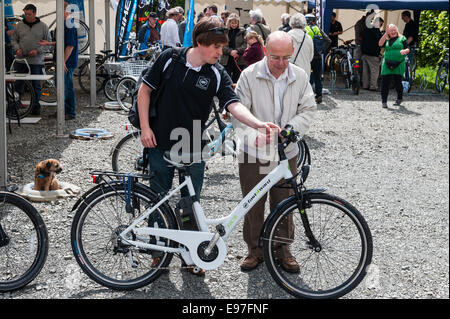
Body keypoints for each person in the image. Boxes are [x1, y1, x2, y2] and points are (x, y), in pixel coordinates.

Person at [137, 17, 279, 275]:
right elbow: (144, 90)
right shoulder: (170, 58)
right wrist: (145, 128)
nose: (220, 52)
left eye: (222, 47)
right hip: (158, 140)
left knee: (191, 203)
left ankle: (190, 256)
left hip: (192, 142)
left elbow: (233, 104)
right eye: (216, 47)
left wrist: (259, 124)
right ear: (200, 43)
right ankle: (158, 252)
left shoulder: (216, 72)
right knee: (158, 199)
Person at [233, 31, 316, 272]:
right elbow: (239, 115)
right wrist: (254, 136)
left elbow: (309, 109)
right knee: (253, 202)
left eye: (286, 58)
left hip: (286, 152)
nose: (281, 63)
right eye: (275, 57)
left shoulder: (299, 76)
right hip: (253, 152)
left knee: (285, 201)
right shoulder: (249, 75)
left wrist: (293, 128)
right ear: (265, 52)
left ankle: (282, 249)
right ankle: (254, 250)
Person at [38, 1, 78, 120]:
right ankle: (62, 111)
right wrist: (49, 43)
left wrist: (63, 62)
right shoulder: (65, 24)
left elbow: (70, 46)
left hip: (67, 62)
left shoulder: (69, 24)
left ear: (65, 11)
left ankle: (69, 112)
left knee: (66, 87)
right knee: (61, 86)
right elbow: (63, 42)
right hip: (63, 62)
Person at [11, 4, 51, 116]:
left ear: (35, 13)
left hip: (36, 62)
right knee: (18, 85)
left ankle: (35, 108)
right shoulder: (19, 25)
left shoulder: (43, 26)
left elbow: (48, 43)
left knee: (35, 86)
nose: (26, 16)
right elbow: (13, 39)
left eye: (29, 14)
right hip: (21, 61)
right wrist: (17, 48)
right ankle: (14, 106)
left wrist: (38, 51)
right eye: (25, 13)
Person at [378, 24, 410, 108]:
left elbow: (408, 48)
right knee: (385, 82)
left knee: (398, 82)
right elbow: (380, 44)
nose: (392, 32)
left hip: (399, 63)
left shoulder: (402, 38)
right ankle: (384, 101)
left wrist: (404, 51)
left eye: (394, 30)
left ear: (396, 30)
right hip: (387, 63)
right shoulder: (387, 39)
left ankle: (399, 98)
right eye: (390, 30)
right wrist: (385, 33)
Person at [305, 13, 331, 104]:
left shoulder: (305, 29)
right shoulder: (318, 29)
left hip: (308, 57)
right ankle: (319, 96)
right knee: (317, 77)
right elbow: (328, 40)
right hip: (318, 57)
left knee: (306, 77)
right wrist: (322, 50)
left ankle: (306, 96)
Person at [219, 13, 246, 83]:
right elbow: (221, 45)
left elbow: (245, 44)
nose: (234, 25)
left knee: (237, 79)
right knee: (226, 79)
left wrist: (237, 51)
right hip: (226, 59)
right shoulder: (225, 31)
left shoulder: (243, 31)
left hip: (239, 58)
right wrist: (230, 52)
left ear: (238, 23)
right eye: (232, 23)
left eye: (235, 23)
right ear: (229, 22)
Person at [288, 13, 314, 78]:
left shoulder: (286, 36)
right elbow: (311, 57)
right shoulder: (308, 38)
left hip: (290, 71)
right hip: (304, 71)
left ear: (291, 24)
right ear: (304, 24)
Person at [361, 17, 383, 91]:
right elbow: (380, 41)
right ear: (378, 22)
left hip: (364, 52)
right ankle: (373, 86)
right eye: (381, 24)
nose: (381, 26)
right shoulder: (376, 29)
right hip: (372, 53)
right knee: (374, 70)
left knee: (365, 71)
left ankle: (365, 85)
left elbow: (361, 37)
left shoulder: (366, 28)